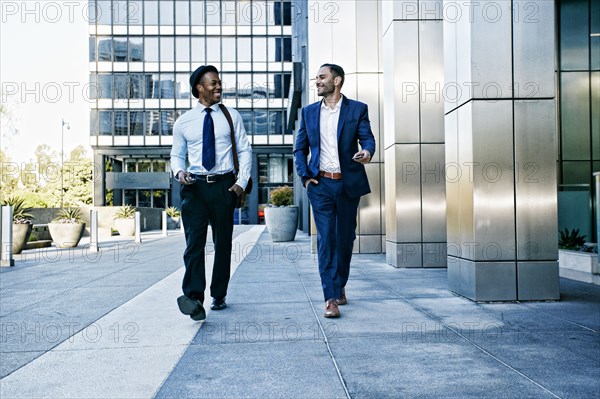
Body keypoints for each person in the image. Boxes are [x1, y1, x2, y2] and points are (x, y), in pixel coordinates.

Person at [294, 63, 376, 318]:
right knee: (326, 239)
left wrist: (367, 152)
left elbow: (368, 138)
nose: (317, 81)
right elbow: (300, 149)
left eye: (322, 77)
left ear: (337, 80)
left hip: (347, 183)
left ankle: (339, 285)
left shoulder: (357, 109)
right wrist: (306, 177)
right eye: (316, 78)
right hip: (320, 185)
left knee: (345, 239)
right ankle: (330, 297)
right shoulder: (309, 113)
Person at [171, 65, 252, 321]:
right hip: (194, 187)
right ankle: (194, 298)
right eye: (213, 83)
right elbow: (176, 155)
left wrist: (241, 182)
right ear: (199, 88)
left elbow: (245, 150)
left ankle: (219, 292)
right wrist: (179, 172)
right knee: (193, 244)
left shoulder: (231, 116)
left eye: (219, 82)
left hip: (223, 186)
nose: (219, 87)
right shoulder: (184, 122)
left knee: (223, 244)